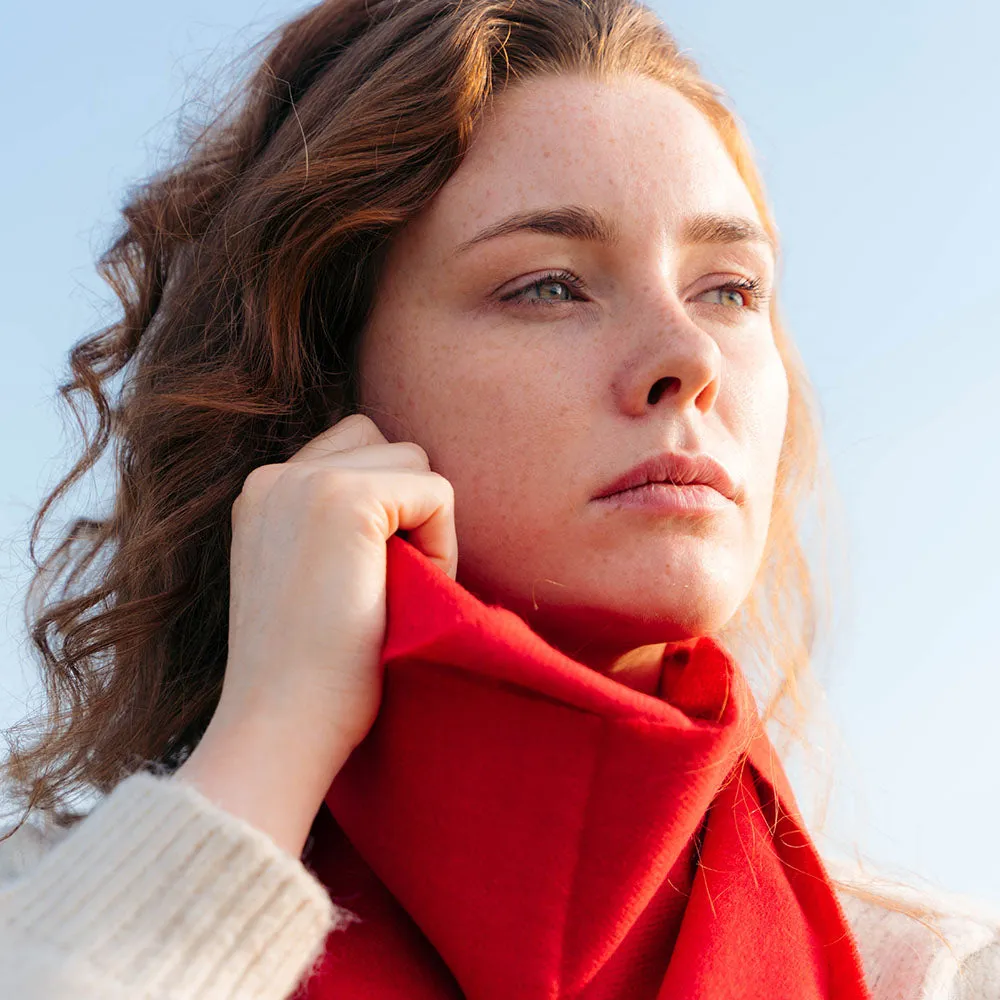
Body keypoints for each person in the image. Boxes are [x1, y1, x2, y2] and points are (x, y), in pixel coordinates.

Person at [0, 0, 997, 997]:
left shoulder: (937, 973)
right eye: (550, 285)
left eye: (729, 290)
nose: (689, 360)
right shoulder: (51, 919)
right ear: (319, 387)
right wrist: (269, 736)